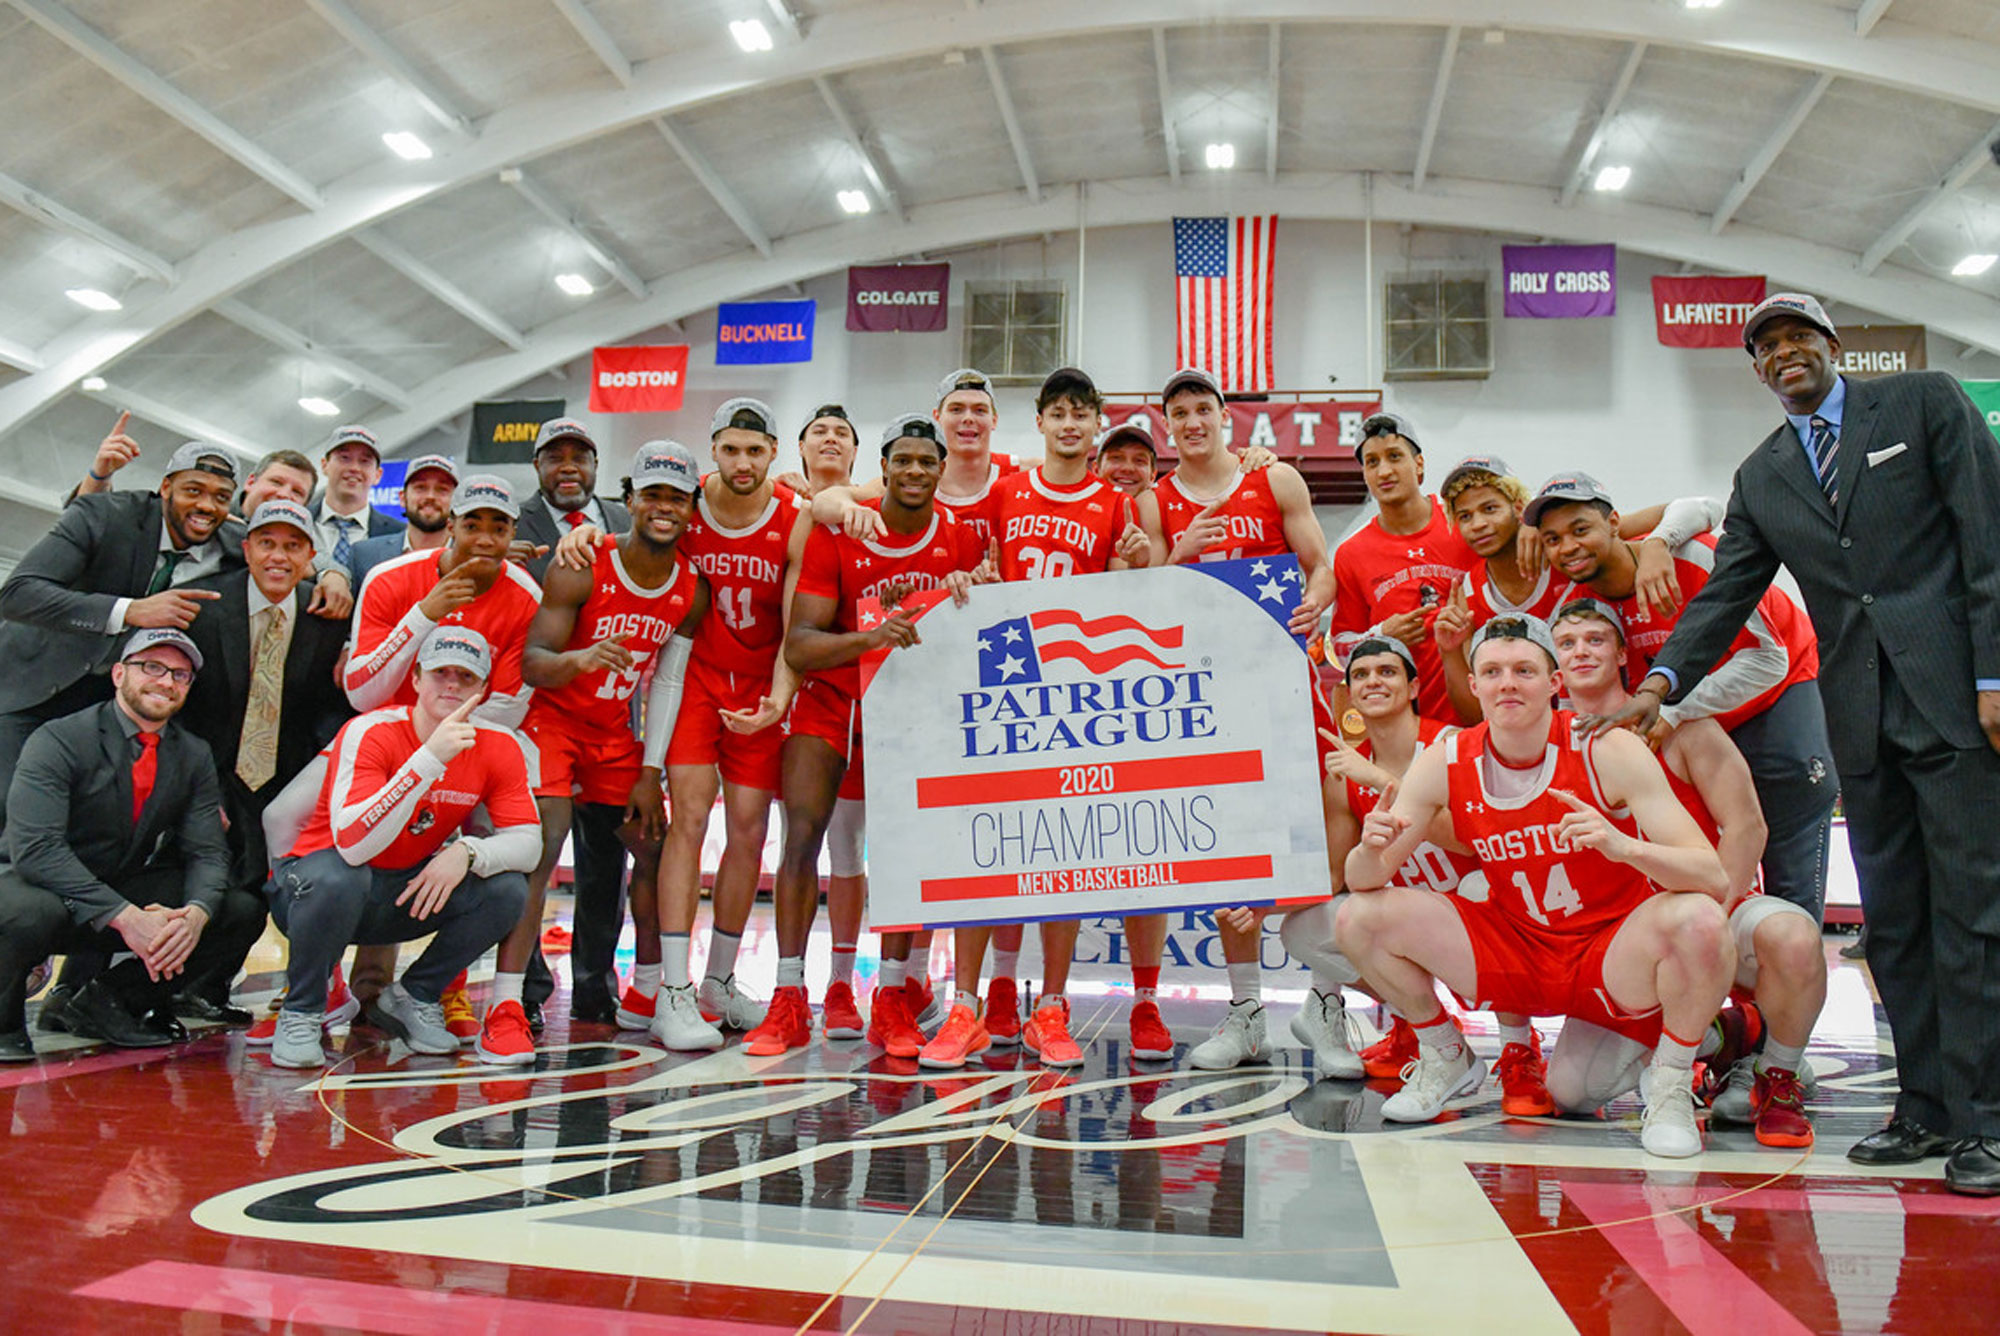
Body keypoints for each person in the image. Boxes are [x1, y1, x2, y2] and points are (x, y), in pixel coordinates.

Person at [1588, 293, 2000, 1194]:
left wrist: (1994, 677)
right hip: (1862, 717)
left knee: (1974, 913)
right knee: (1894, 924)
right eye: (1766, 347)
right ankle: (1924, 1110)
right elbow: (1726, 593)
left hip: (1960, 702)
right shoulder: (1765, 473)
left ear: (1832, 345)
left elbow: (1988, 538)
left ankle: (1988, 1122)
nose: (1785, 354)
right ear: (1757, 370)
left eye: (1798, 337)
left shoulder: (1925, 404)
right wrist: (1657, 688)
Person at [1335, 615, 1732, 1158]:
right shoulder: (1447, 758)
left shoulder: (1606, 748)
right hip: (1520, 944)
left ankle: (1671, 1080)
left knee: (1576, 1088)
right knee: (1357, 917)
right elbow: (1365, 881)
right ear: (1473, 685)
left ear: (1554, 682)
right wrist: (1371, 848)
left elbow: (1710, 876)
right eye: (1492, 672)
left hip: (1609, 951)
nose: (1507, 684)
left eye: (1524, 670)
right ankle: (1445, 1053)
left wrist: (1623, 847)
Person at [916, 367, 1154, 1071]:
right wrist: (964, 578)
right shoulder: (1004, 492)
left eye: (1084, 413)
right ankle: (966, 1007)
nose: (1072, 424)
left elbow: (1128, 608)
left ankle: (1050, 1008)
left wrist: (1138, 566)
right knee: (985, 849)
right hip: (1003, 692)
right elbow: (968, 574)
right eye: (1059, 413)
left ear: (1096, 423)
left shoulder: (1115, 505)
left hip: (1075, 699)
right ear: (1042, 422)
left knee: (1066, 857)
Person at [741, 414, 984, 1057]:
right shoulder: (839, 531)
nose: (912, 471)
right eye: (900, 461)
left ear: (940, 471)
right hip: (831, 705)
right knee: (802, 842)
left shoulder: (957, 539)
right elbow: (800, 643)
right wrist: (870, 638)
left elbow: (969, 639)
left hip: (907, 713)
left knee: (904, 858)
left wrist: (970, 593)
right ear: (883, 469)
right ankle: (789, 998)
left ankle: (893, 999)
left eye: (924, 462)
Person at [1552, 597, 1823, 1148]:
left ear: (1624, 652)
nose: (1582, 651)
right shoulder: (1545, 742)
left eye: (1595, 639)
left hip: (1712, 908)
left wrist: (1711, 920)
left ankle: (1779, 1075)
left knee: (1794, 936)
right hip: (1622, 936)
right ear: (1554, 666)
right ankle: (1723, 1034)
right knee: (1572, 1092)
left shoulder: (1685, 727)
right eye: (1568, 643)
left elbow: (1747, 827)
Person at [483, 442, 707, 1065]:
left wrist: (650, 769)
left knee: (652, 842)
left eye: (677, 497)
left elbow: (666, 681)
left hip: (613, 731)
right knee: (544, 841)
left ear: (691, 508)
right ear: (629, 500)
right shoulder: (582, 563)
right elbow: (533, 662)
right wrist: (578, 660)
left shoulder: (691, 587)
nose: (664, 508)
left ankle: (650, 991)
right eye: (653, 495)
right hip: (552, 720)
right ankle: (505, 1003)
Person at [1137, 366, 1334, 1069]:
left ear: (1225, 416)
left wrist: (1317, 599)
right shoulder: (1157, 501)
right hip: (1210, 692)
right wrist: (1180, 557)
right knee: (1230, 846)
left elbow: (1320, 565)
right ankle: (1245, 1011)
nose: (1192, 422)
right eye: (1179, 412)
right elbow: (1147, 607)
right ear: (1167, 425)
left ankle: (1328, 1005)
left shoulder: (1274, 479)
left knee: (1316, 834)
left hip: (1282, 676)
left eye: (1203, 409)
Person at [1533, 472, 1836, 921]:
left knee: (1787, 812)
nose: (1569, 547)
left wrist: (1673, 708)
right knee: (1700, 840)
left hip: (1777, 688)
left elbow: (1767, 662)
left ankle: (1790, 960)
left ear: (1616, 523)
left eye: (1581, 530)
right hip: (1690, 719)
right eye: (1553, 539)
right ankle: (1719, 942)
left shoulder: (1692, 558)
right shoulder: (1578, 605)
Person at [1267, 638, 1555, 1103]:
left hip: (1480, 908)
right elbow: (1335, 876)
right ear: (1350, 693)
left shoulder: (1451, 745)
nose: (1373, 681)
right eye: (1360, 675)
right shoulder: (1345, 770)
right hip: (1409, 917)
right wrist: (1260, 909)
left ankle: (1520, 1052)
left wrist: (1382, 782)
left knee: (1485, 886)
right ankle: (1421, 1027)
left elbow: (1472, 839)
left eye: (1387, 671)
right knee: (1304, 929)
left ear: (1414, 684)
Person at [264, 628, 536, 1069]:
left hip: (395, 890)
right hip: (311, 886)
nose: (451, 685)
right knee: (340, 876)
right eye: (440, 673)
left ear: (484, 691)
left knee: (507, 889)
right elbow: (353, 845)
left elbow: (528, 845)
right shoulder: (368, 731)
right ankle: (302, 1010)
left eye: (465, 678)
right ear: (415, 679)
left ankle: (415, 995)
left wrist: (466, 852)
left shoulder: (499, 745)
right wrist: (428, 759)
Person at [0, 629, 259, 1059]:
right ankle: (4, 1020)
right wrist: (123, 915)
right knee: (29, 913)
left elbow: (208, 852)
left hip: (117, 885)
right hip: (39, 886)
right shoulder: (59, 738)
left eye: (179, 675)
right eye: (151, 667)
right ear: (119, 674)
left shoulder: (192, 754)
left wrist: (194, 914)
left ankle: (111, 1000)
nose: (165, 681)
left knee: (238, 910)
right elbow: (36, 850)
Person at [649, 402, 804, 1045]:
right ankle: (671, 990)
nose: (743, 463)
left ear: (773, 452)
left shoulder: (794, 520)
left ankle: (718, 980)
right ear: (713, 449)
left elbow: (797, 623)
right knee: (687, 819)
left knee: (749, 831)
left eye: (756, 451)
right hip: (694, 681)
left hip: (761, 689)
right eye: (731, 450)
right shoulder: (686, 509)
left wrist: (779, 697)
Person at [171, 501, 354, 1023]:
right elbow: (181, 708)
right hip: (210, 768)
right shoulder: (205, 607)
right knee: (205, 877)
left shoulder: (324, 618)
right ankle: (145, 985)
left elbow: (324, 707)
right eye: (267, 543)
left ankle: (208, 987)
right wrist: (194, 791)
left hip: (281, 773)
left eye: (292, 546)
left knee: (259, 885)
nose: (279, 556)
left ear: (310, 556)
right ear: (246, 549)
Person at [0, 441, 243, 831]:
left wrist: (332, 575)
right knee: (15, 815)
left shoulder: (234, 547)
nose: (206, 507)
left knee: (85, 826)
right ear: (165, 487)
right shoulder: (105, 515)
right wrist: (128, 610)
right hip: (33, 686)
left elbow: (287, 549)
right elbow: (17, 594)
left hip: (112, 708)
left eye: (221, 498)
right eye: (193, 490)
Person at [1432, 454, 1714, 724]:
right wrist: (1450, 652)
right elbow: (1476, 713)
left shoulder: (1567, 551)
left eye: (1490, 508)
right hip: (1574, 719)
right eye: (1465, 516)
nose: (1479, 524)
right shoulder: (1468, 593)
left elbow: (1700, 508)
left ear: (1518, 507)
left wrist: (1659, 542)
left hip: (1670, 701)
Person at [343, 474, 541, 728]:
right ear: (451, 527)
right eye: (471, 527)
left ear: (513, 533)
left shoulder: (529, 599)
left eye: (499, 529)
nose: (485, 540)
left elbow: (506, 712)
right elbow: (361, 696)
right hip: (388, 728)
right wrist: (422, 616)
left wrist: (434, 745)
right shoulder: (387, 578)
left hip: (470, 738)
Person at [512, 417, 633, 583]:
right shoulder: (512, 525)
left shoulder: (627, 520)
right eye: (555, 458)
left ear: (595, 465)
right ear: (537, 466)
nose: (568, 468)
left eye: (579, 458)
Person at [347, 455, 458, 589]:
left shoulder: (472, 559)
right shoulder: (365, 555)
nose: (430, 496)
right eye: (420, 488)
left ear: (457, 502)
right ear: (402, 498)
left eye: (442, 489)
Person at [312, 426, 401, 571]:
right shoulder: (299, 522)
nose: (354, 468)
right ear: (324, 465)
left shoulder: (397, 535)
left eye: (365, 461)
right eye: (344, 458)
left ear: (378, 475)